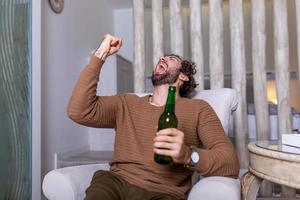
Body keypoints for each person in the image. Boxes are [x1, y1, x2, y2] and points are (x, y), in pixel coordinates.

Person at [67, 34, 239, 200]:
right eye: (162, 57)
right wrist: (101, 54)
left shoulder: (198, 109)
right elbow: (79, 111)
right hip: (116, 183)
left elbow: (229, 163)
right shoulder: (126, 102)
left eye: (171, 58)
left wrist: (187, 155)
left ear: (183, 76)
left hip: (165, 193)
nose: (162, 58)